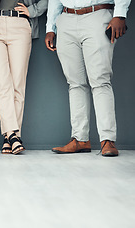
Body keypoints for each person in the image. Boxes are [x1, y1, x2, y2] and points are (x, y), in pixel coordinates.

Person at [45, 0, 131, 156]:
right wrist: (51, 27)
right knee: (75, 83)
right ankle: (80, 139)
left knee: (100, 81)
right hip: (66, 18)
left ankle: (107, 140)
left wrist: (120, 14)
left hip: (97, 15)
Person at [0, 0, 47, 154]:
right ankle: (13, 135)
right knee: (2, 85)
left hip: (20, 25)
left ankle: (10, 138)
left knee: (17, 85)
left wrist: (33, 11)